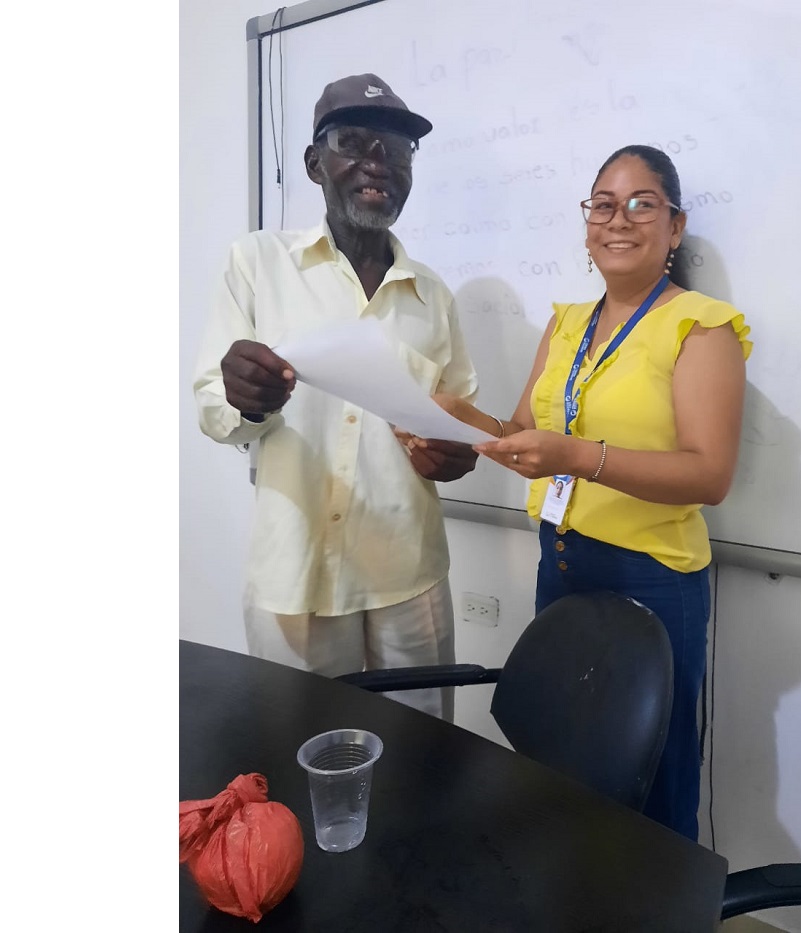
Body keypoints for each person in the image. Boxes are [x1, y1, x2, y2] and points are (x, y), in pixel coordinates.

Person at [431, 145, 751, 840]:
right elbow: (523, 433)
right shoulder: (566, 323)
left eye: (642, 204)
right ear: (586, 224)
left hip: (653, 581)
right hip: (562, 564)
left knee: (652, 781)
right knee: (564, 767)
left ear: (675, 226)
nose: (619, 219)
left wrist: (578, 457)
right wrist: (456, 418)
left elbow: (709, 475)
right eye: (603, 204)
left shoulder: (701, 326)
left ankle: (657, 898)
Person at [192, 74, 483, 722]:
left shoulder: (432, 294)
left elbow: (459, 418)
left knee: (424, 749)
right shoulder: (258, 263)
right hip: (296, 576)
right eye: (354, 142)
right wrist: (247, 400)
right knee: (300, 752)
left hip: (410, 575)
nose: (379, 162)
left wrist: (456, 455)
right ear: (314, 162)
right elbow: (214, 409)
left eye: (398, 149)